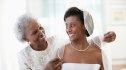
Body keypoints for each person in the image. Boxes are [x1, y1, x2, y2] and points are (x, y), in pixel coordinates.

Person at [15, 14, 116, 70]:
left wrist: (103, 38)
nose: (41, 32)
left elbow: (79, 45)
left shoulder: (55, 40)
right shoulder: (23, 56)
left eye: (41, 27)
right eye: (35, 32)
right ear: (25, 38)